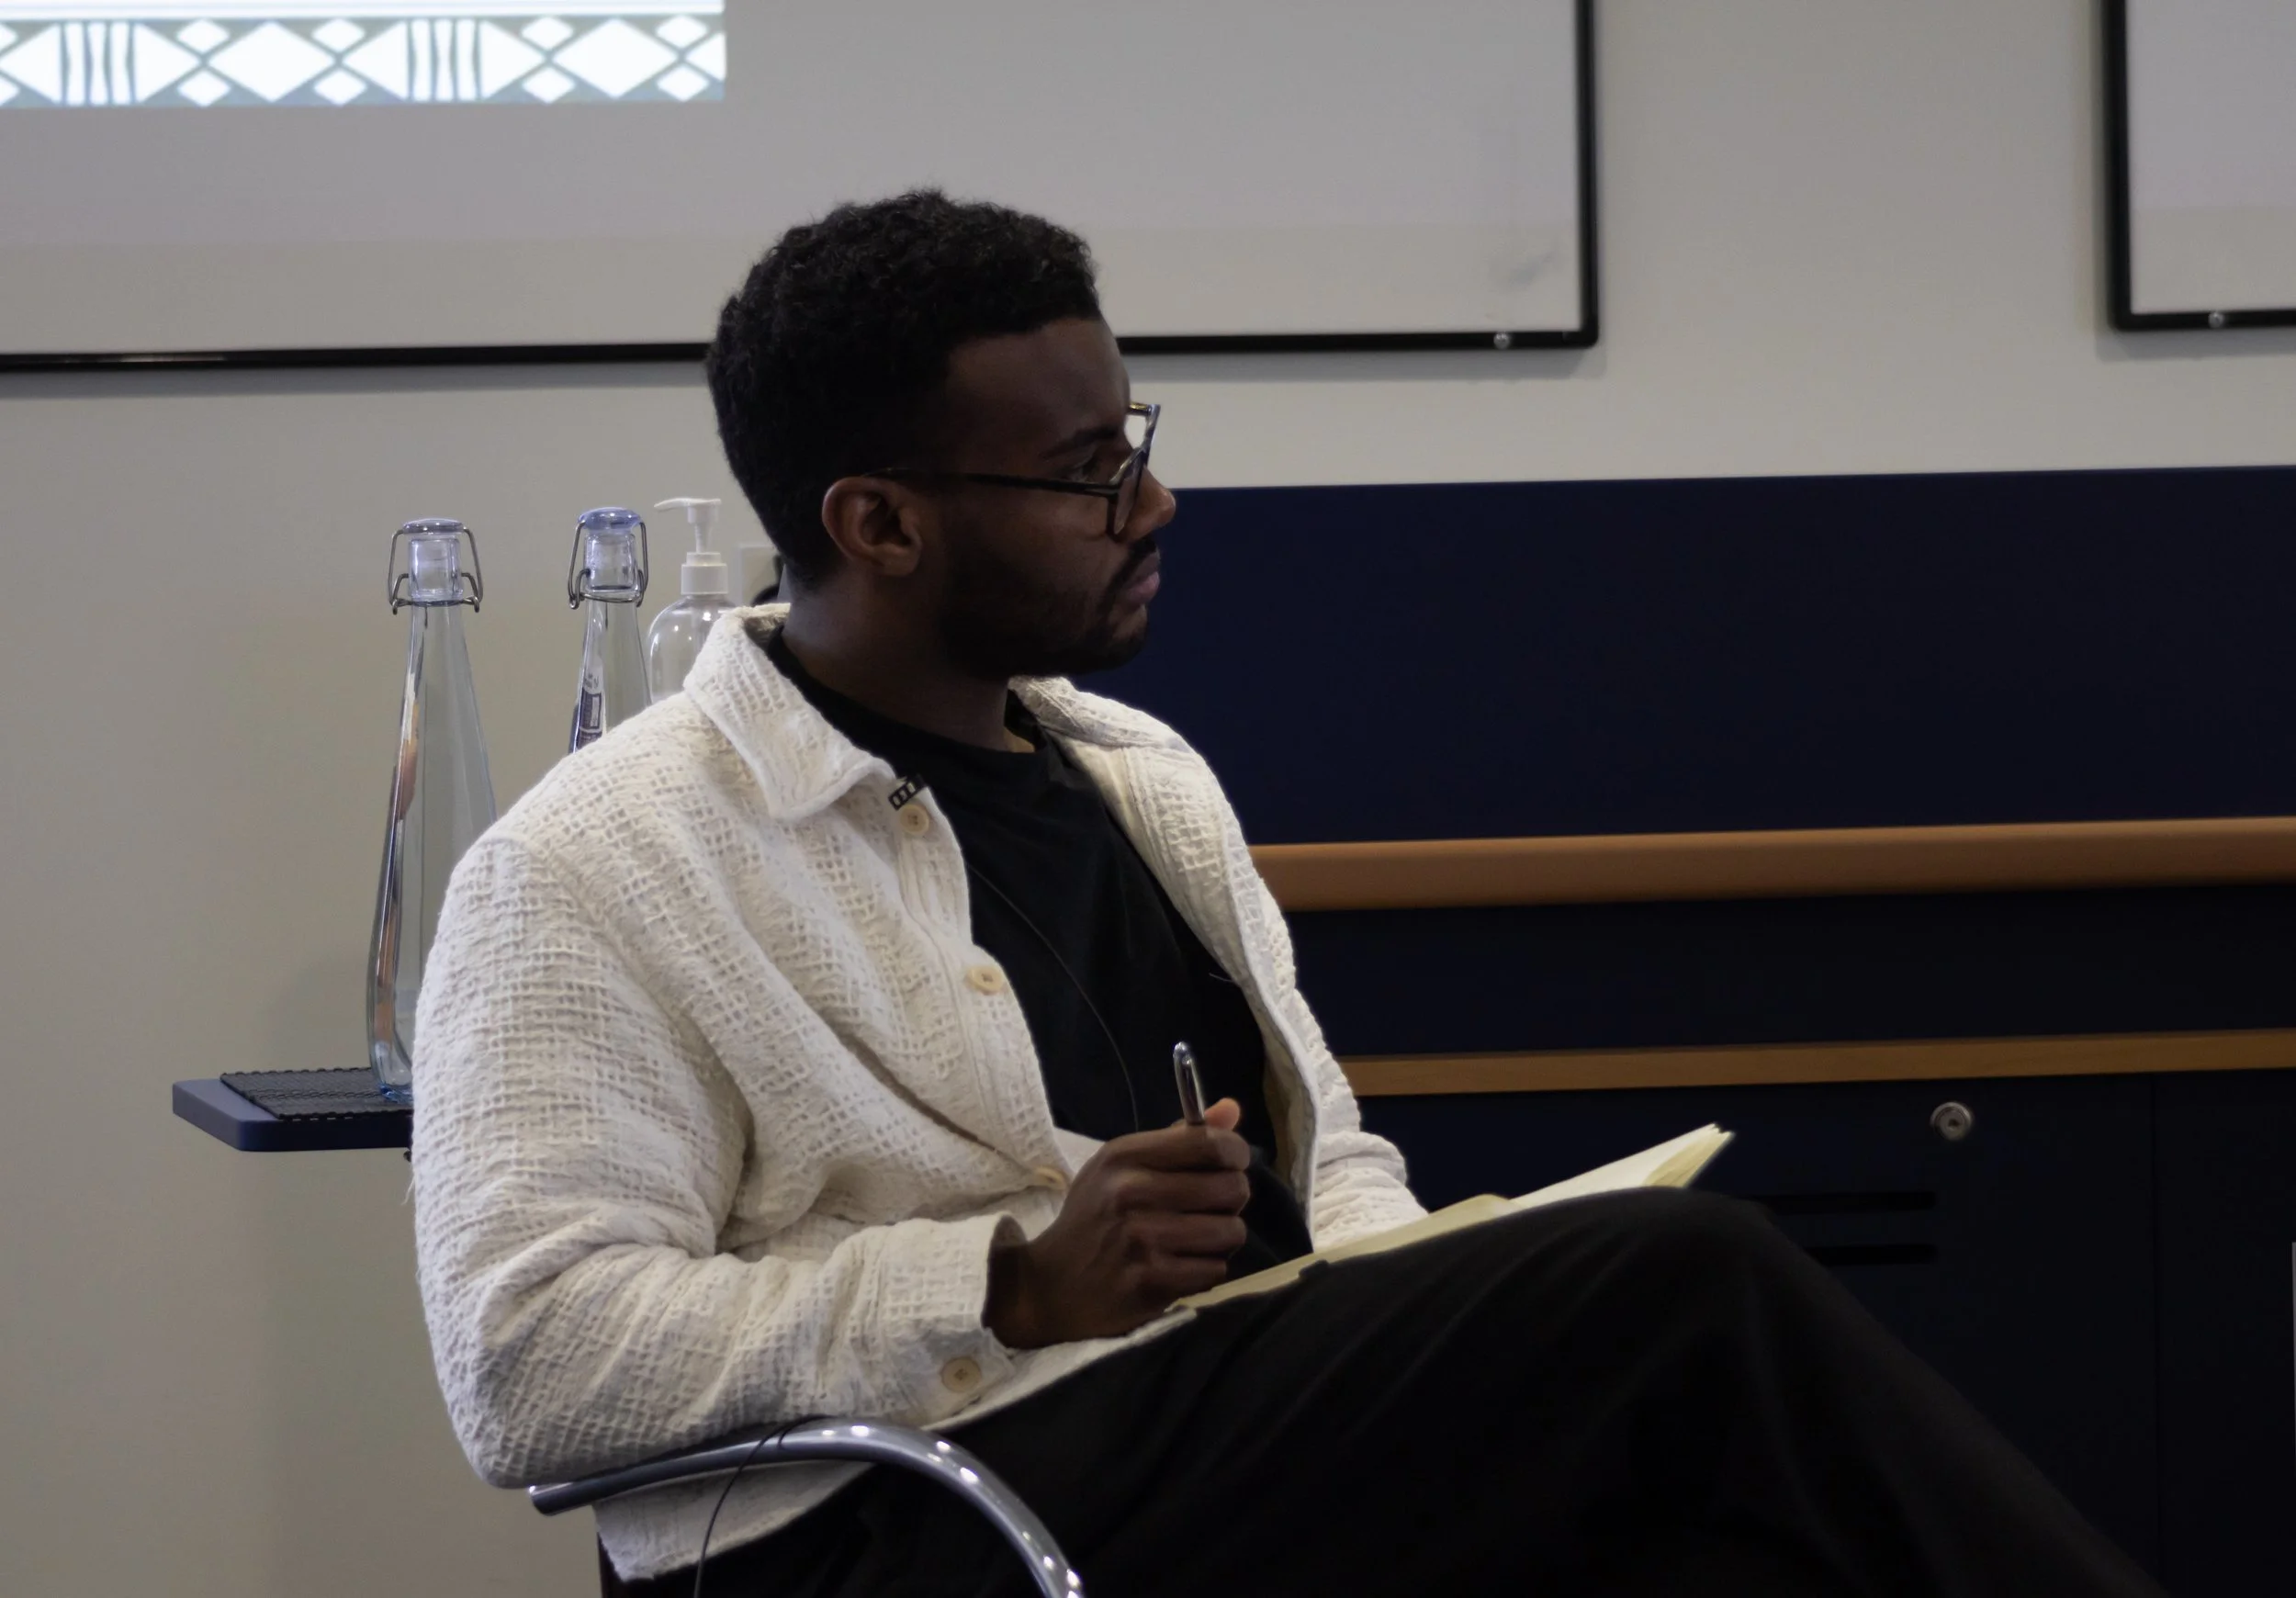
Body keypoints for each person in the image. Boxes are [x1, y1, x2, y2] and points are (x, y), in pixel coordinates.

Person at [411, 191, 2161, 1598]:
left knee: (1711, 1497)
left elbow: (1331, 1181)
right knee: (1680, 1295)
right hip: (893, 1525)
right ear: (877, 524)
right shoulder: (590, 868)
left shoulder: (1140, 776)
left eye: (1137, 438)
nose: (1153, 501)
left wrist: (1446, 1301)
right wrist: (1004, 1285)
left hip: (1213, 1445)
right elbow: (531, 1367)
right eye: (1087, 471)